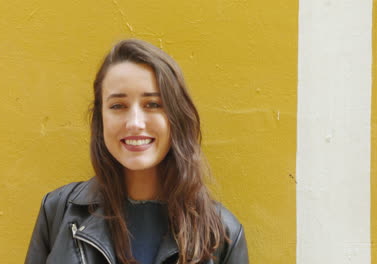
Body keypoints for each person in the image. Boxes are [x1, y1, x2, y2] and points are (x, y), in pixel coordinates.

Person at [25, 39, 248, 264]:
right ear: (100, 119)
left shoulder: (222, 234)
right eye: (118, 106)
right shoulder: (58, 212)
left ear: (176, 118)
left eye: (152, 104)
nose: (134, 123)